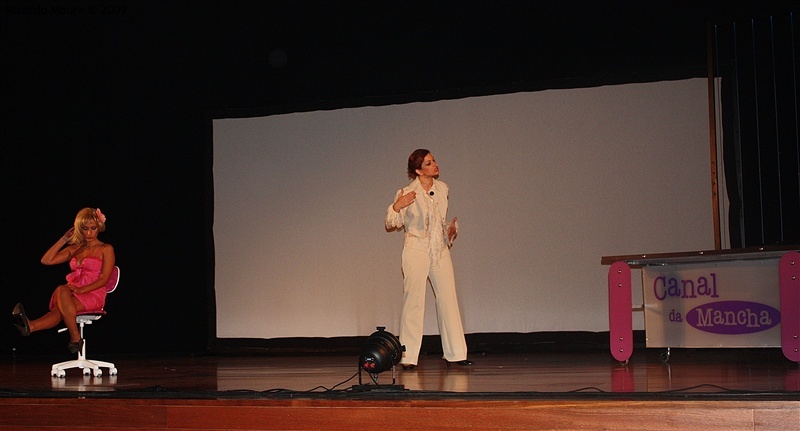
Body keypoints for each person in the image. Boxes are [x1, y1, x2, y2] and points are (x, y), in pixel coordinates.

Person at [385, 149, 473, 369]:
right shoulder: (407, 192)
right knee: (413, 301)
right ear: (417, 170)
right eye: (428, 163)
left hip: (439, 248)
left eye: (434, 161)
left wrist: (450, 231)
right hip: (416, 247)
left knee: (448, 297)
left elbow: (437, 223)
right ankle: (408, 356)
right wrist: (398, 205)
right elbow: (391, 223)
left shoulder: (442, 189)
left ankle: (456, 354)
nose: (435, 165)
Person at [12, 207, 116, 354]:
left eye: (93, 228)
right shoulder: (75, 249)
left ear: (98, 227)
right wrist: (64, 239)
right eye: (85, 228)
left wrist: (81, 290)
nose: (89, 233)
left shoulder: (106, 249)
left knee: (62, 300)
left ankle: (73, 337)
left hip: (93, 293)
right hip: (73, 291)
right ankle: (31, 326)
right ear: (79, 228)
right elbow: (46, 260)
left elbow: (104, 279)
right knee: (63, 294)